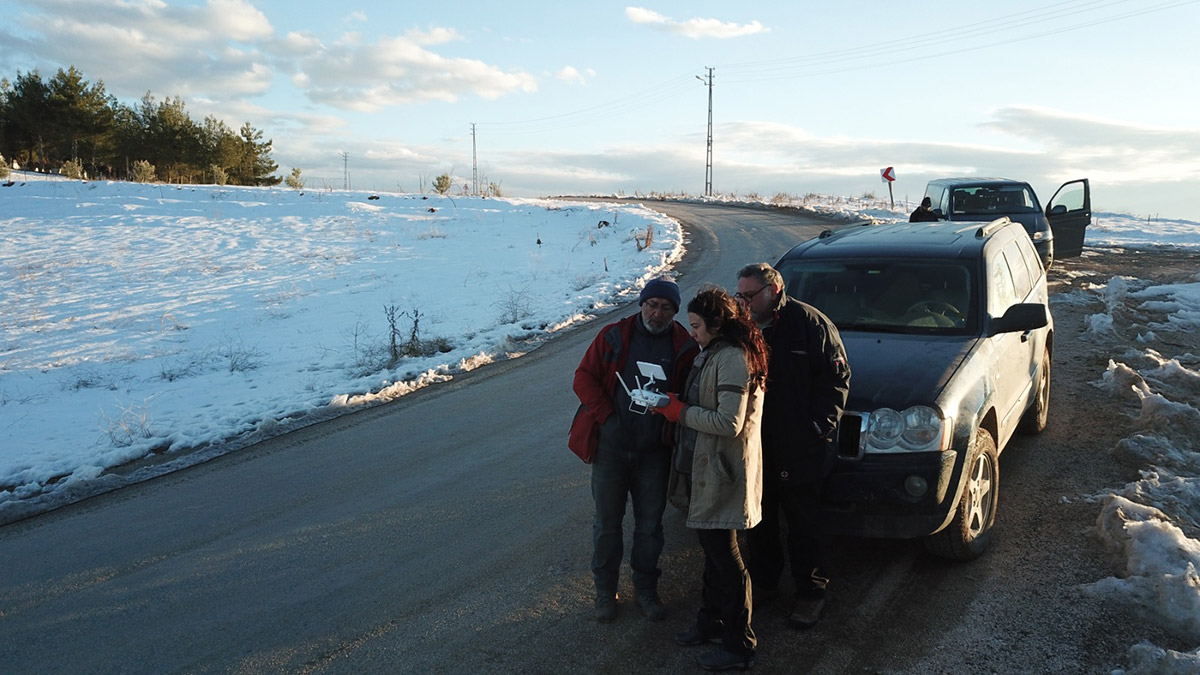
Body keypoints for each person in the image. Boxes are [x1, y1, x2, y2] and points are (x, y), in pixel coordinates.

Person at [651, 287, 768, 672]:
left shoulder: (733, 358)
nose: (693, 333)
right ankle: (712, 623)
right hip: (711, 468)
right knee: (714, 552)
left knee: (727, 559)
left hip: (724, 471)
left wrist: (678, 411)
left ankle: (740, 644)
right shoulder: (718, 352)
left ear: (717, 324)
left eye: (698, 326)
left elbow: (729, 423)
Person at [570, 277, 698, 623]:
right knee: (607, 524)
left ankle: (646, 589)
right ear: (641, 304)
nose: (657, 313)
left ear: (674, 311)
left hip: (654, 454)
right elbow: (583, 378)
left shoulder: (684, 346)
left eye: (666, 307)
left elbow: (692, 393)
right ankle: (605, 590)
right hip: (612, 450)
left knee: (650, 527)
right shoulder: (614, 336)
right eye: (652, 305)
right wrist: (608, 417)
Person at [734, 263, 851, 630]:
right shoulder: (742, 327)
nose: (744, 302)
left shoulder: (809, 324)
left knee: (803, 523)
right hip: (758, 443)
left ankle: (810, 593)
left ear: (774, 290)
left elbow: (837, 379)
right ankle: (766, 583)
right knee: (760, 519)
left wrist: (816, 427)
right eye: (740, 295)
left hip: (802, 445)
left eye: (749, 295)